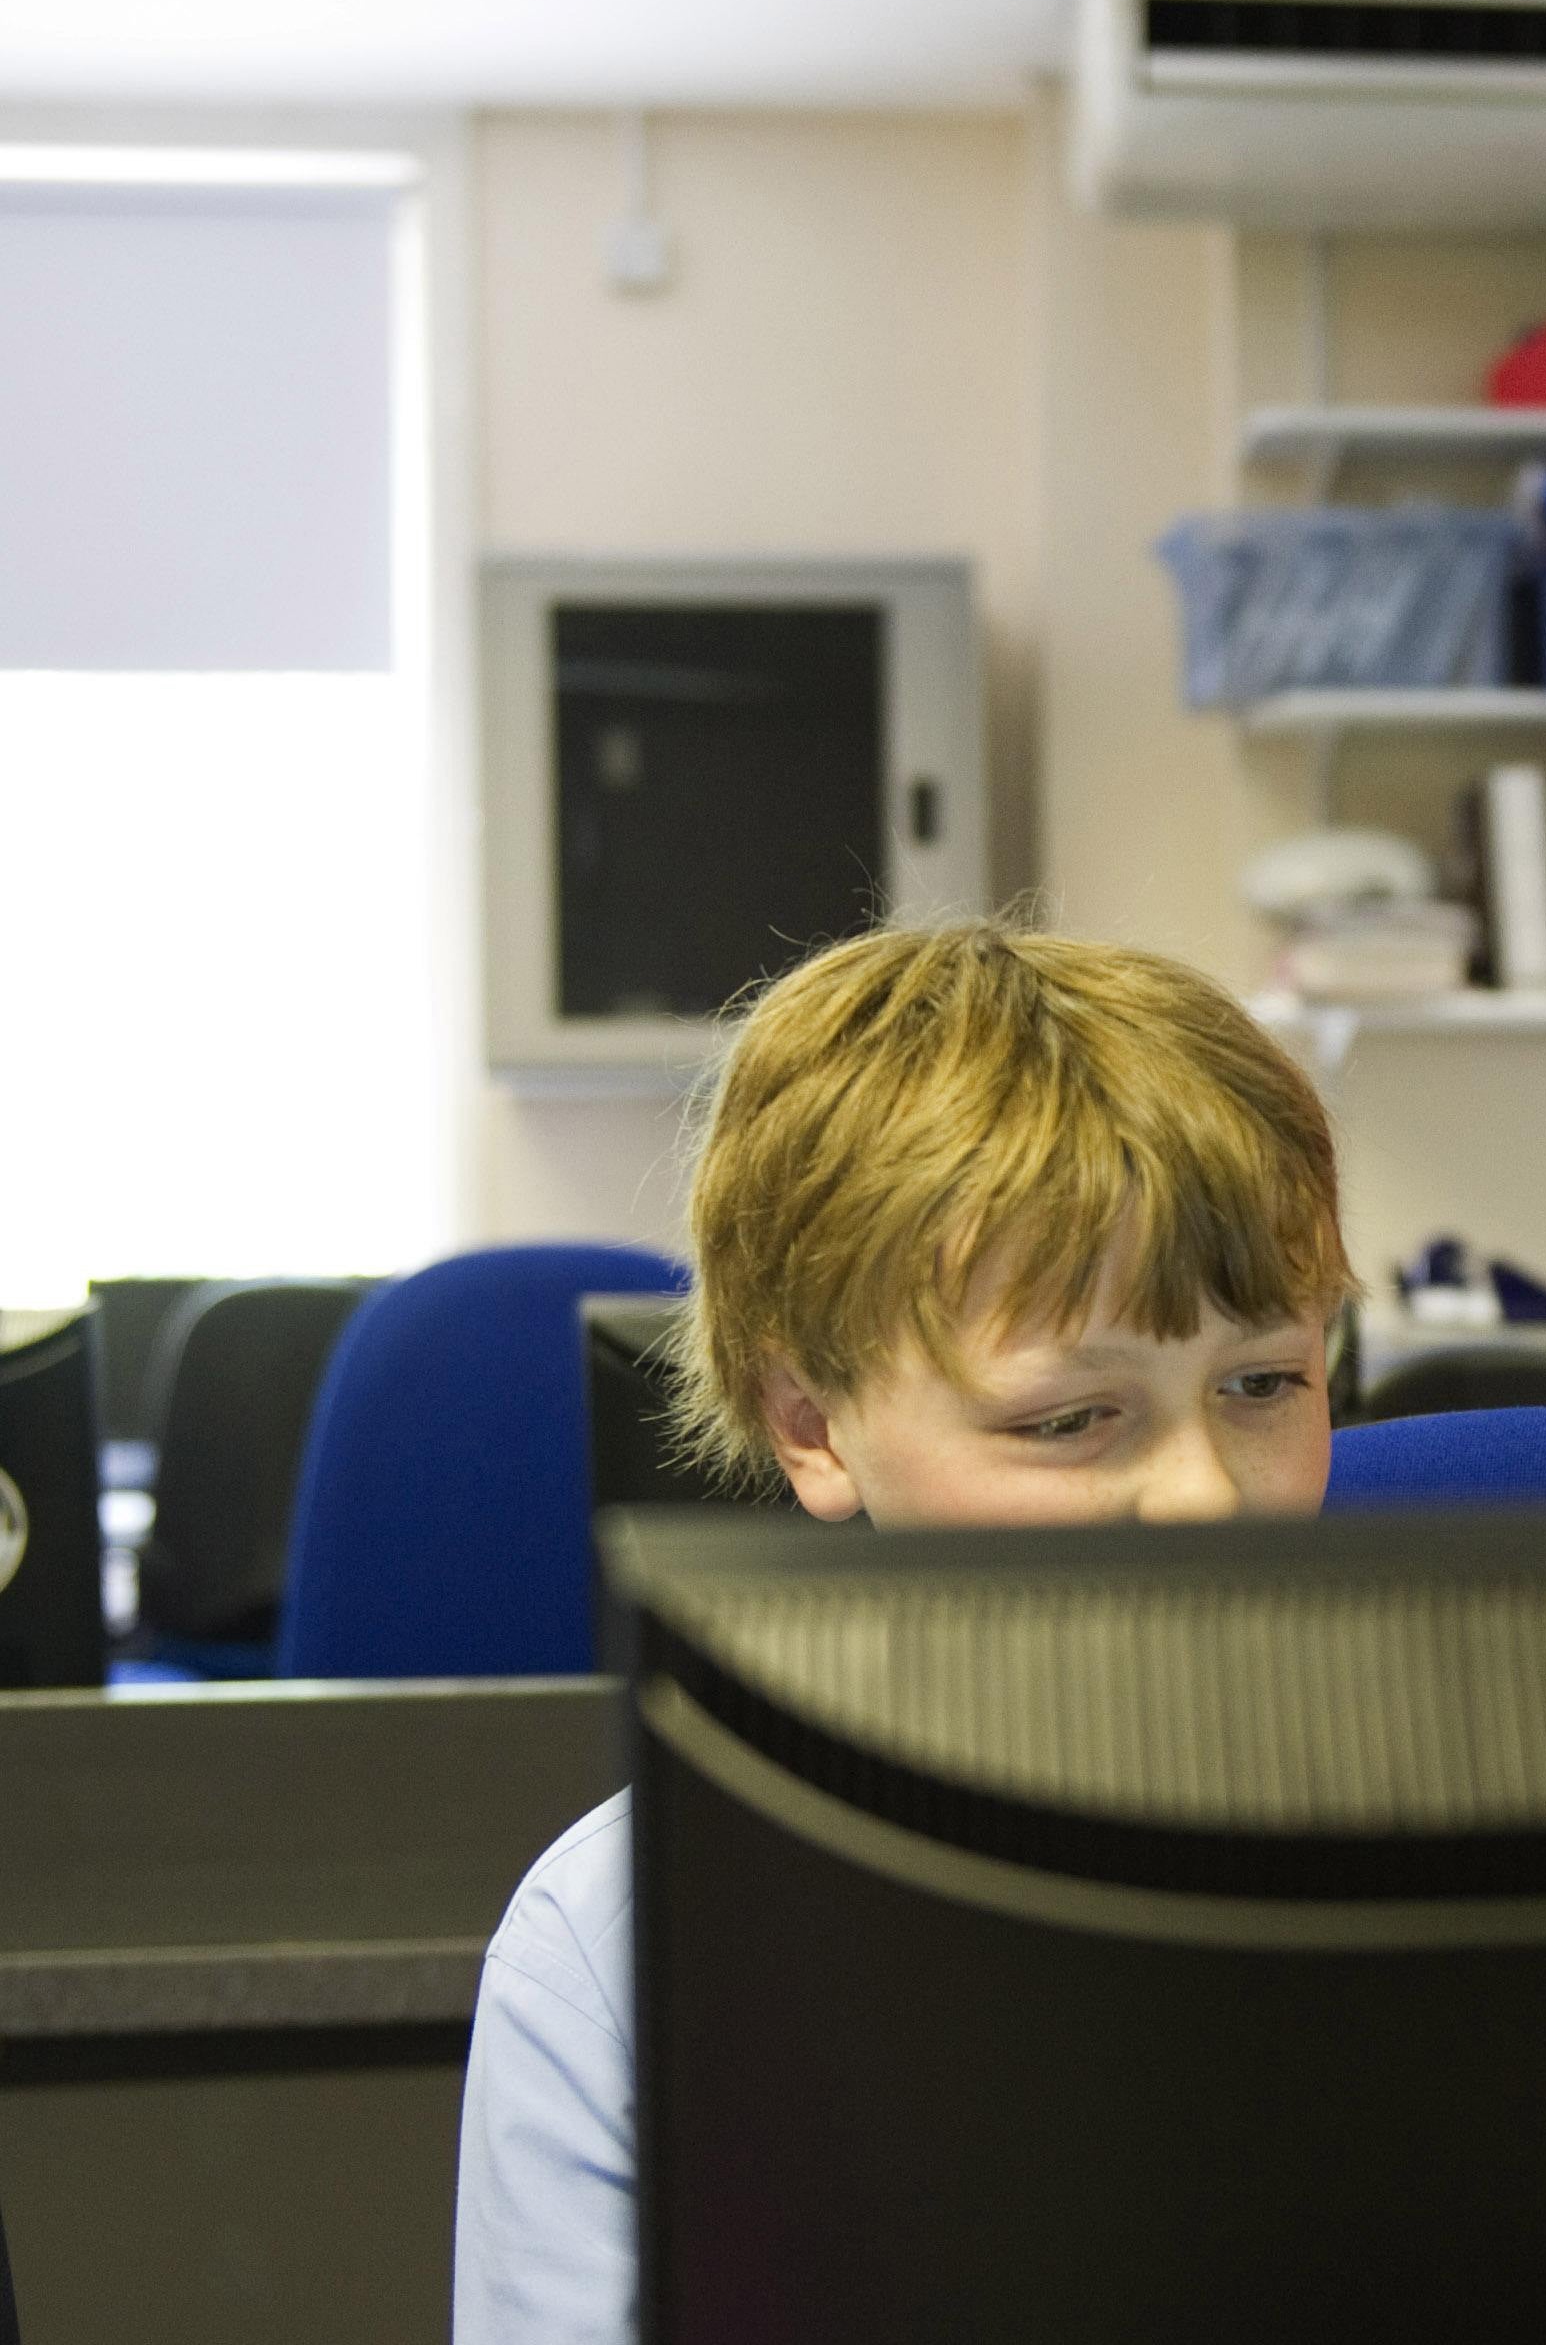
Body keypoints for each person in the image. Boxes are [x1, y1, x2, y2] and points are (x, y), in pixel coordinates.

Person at [453, 921, 1350, 2345]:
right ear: (812, 1425)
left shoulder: (1506, 1817)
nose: (1200, 1500)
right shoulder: (622, 1945)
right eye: (1068, 1420)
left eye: (1265, 1385)